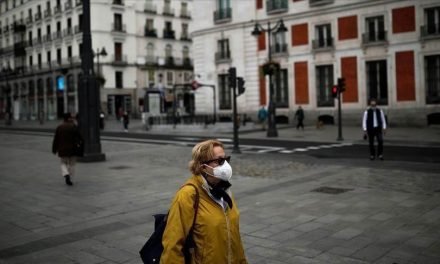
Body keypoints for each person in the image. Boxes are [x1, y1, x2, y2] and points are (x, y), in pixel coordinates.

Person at [161, 139, 248, 264]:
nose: (225, 165)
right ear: (203, 166)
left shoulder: (225, 190)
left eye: (226, 160)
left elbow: (235, 240)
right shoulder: (187, 195)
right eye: (219, 161)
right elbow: (172, 245)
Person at [52, 113, 83, 186]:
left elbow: (56, 139)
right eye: (71, 117)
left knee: (63, 163)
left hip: (62, 149)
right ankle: (70, 178)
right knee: (72, 164)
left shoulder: (59, 127)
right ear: (69, 118)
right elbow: (80, 137)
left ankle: (66, 174)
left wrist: (54, 149)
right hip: (73, 148)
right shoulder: (73, 126)